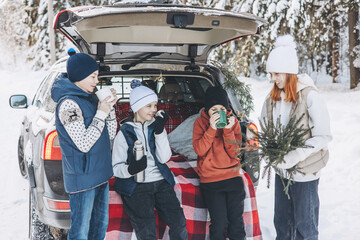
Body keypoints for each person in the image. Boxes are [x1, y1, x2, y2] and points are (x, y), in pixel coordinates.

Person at [260, 35, 332, 240]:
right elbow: (265, 126)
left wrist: (295, 155)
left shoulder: (310, 96)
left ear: (289, 71)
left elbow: (323, 136)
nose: (273, 78)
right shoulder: (272, 97)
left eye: (276, 73)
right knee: (282, 223)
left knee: (304, 226)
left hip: (305, 173)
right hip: (282, 172)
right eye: (271, 74)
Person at [51, 49, 117, 239]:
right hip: (83, 180)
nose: (97, 81)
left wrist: (109, 109)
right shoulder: (68, 104)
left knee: (99, 229)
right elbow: (84, 143)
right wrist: (101, 113)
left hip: (101, 175)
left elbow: (110, 135)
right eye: (93, 76)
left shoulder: (91, 98)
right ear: (79, 76)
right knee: (80, 232)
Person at [112, 80, 188, 240]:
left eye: (155, 105)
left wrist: (160, 131)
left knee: (179, 222)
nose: (154, 109)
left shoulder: (156, 126)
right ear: (136, 107)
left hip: (161, 182)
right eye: (149, 106)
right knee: (146, 231)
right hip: (136, 185)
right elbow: (116, 168)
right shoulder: (124, 133)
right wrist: (130, 169)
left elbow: (165, 157)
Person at [192, 86, 246, 240]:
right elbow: (200, 150)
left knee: (236, 223)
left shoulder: (233, 122)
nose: (218, 112)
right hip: (211, 181)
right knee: (219, 223)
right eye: (214, 108)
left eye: (222, 108)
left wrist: (228, 130)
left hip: (233, 178)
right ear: (207, 109)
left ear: (227, 109)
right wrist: (212, 129)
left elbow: (236, 154)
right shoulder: (199, 123)